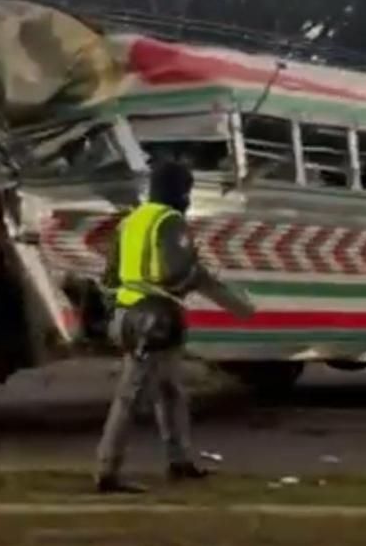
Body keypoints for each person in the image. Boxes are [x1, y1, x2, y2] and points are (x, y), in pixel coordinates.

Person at [95, 160, 211, 494]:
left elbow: (109, 277)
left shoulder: (130, 221)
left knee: (170, 390)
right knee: (131, 396)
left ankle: (179, 461)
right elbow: (175, 275)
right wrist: (193, 273)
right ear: (177, 191)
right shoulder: (170, 222)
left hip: (129, 315)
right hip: (156, 319)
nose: (188, 200)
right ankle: (107, 471)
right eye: (186, 191)